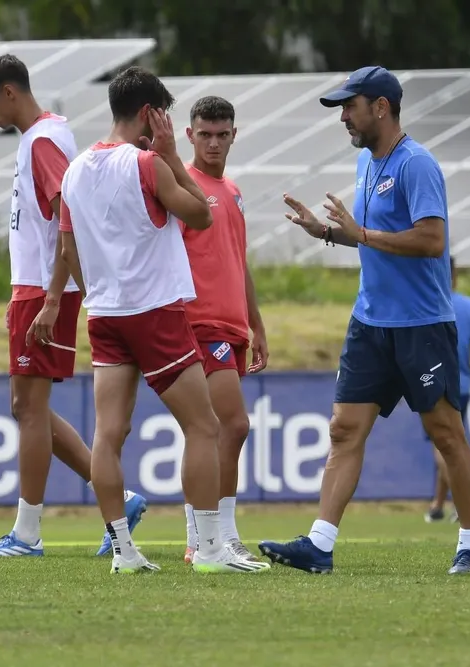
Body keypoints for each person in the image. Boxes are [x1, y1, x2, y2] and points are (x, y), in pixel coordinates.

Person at [257, 66, 470, 575]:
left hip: (422, 324)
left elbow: (431, 241)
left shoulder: (416, 164)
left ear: (380, 107)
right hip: (370, 322)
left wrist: (360, 234)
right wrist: (326, 233)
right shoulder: (368, 164)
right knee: (343, 430)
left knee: (446, 432)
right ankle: (319, 545)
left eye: (350, 106)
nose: (344, 117)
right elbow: (368, 235)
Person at [56, 66, 269, 575]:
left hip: (105, 315)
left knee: (108, 435)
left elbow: (67, 247)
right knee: (204, 426)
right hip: (154, 311)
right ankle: (210, 549)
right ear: (151, 114)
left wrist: (96, 294)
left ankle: (124, 552)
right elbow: (200, 214)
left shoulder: (76, 169)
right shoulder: (150, 164)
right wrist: (172, 154)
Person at [0, 55, 146, 559]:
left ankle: (26, 534)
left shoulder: (43, 140)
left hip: (41, 292)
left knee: (28, 410)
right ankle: (118, 497)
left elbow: (69, 213)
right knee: (28, 408)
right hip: (38, 289)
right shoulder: (43, 136)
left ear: (9, 92)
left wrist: (51, 298)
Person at [177, 96, 269, 565]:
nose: (213, 142)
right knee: (228, 425)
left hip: (232, 324)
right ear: (189, 136)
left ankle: (204, 537)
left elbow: (239, 260)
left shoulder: (231, 189)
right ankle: (213, 537)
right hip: (199, 322)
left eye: (222, 134)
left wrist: (256, 323)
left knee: (215, 430)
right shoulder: (180, 185)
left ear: (234, 134)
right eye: (205, 134)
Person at [426, 256, 470, 523]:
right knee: (454, 442)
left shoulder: (426, 305)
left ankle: (463, 501)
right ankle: (437, 505)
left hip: (431, 382)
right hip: (462, 387)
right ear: (454, 275)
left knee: (443, 446)